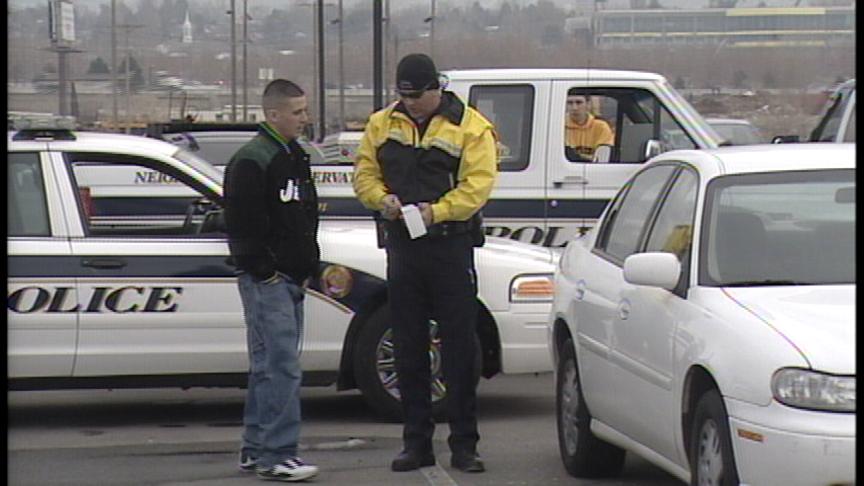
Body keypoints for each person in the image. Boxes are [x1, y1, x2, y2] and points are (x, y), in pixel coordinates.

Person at [353, 53, 498, 474]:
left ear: (437, 88)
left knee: (457, 349)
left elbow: (479, 185)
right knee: (409, 348)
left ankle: (464, 445)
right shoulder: (382, 123)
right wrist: (383, 200)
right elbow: (364, 173)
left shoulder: (470, 126)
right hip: (403, 247)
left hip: (450, 247)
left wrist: (439, 211)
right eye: (405, 96)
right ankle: (416, 444)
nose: (411, 103)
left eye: (418, 95)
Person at [223, 79, 320, 482]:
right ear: (273, 114)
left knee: (267, 366)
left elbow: (303, 216)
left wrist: (307, 265)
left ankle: (256, 447)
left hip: (290, 278)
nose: (304, 119)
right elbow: (242, 225)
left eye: (304, 110)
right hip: (269, 281)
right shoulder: (252, 160)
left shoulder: (294, 156)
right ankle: (278, 454)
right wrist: (265, 271)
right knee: (281, 367)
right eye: (296, 112)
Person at [564, 93, 614, 161]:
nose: (574, 108)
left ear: (588, 104)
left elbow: (602, 159)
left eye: (579, 103)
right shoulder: (559, 126)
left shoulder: (601, 127)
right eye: (570, 103)